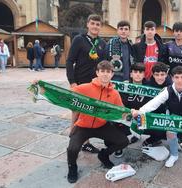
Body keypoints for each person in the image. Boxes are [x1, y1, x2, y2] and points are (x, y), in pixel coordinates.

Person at [67, 60, 129, 183]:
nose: (105, 74)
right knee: (72, 149)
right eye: (102, 71)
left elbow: (121, 111)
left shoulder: (114, 93)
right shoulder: (85, 88)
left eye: (108, 72)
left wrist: (132, 113)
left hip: (102, 125)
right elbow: (66, 95)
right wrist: (41, 86)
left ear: (112, 74)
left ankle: (103, 154)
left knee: (123, 141)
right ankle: (72, 168)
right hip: (83, 126)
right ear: (97, 73)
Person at [66, 14, 107, 153]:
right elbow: (69, 61)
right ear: (88, 24)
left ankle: (86, 142)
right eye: (93, 23)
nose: (95, 26)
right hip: (80, 82)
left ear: (100, 27)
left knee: (89, 113)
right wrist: (72, 82)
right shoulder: (79, 40)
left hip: (95, 84)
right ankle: (73, 139)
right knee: (76, 111)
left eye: (98, 24)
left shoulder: (102, 44)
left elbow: (104, 65)